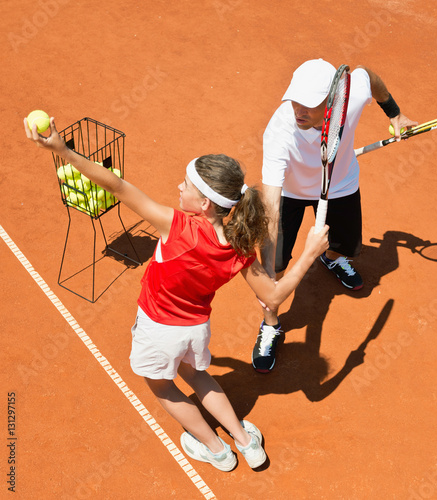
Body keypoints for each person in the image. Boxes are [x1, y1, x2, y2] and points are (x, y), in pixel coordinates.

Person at [24, 117, 329, 472]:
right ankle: (246, 442)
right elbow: (274, 296)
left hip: (158, 330)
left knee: (162, 387)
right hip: (195, 331)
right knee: (199, 376)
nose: (178, 187)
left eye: (186, 185)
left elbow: (116, 185)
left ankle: (216, 449)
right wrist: (308, 254)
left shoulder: (175, 225)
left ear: (204, 205)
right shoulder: (238, 248)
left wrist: (63, 151)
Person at [252, 58, 417, 373]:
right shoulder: (280, 131)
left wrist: (394, 113)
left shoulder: (352, 94)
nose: (299, 110)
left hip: (340, 184)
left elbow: (371, 77)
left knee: (343, 242)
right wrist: (269, 266)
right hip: (291, 191)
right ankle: (271, 324)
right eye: (295, 100)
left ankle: (330, 257)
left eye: (309, 105)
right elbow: (271, 202)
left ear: (332, 100)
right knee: (273, 264)